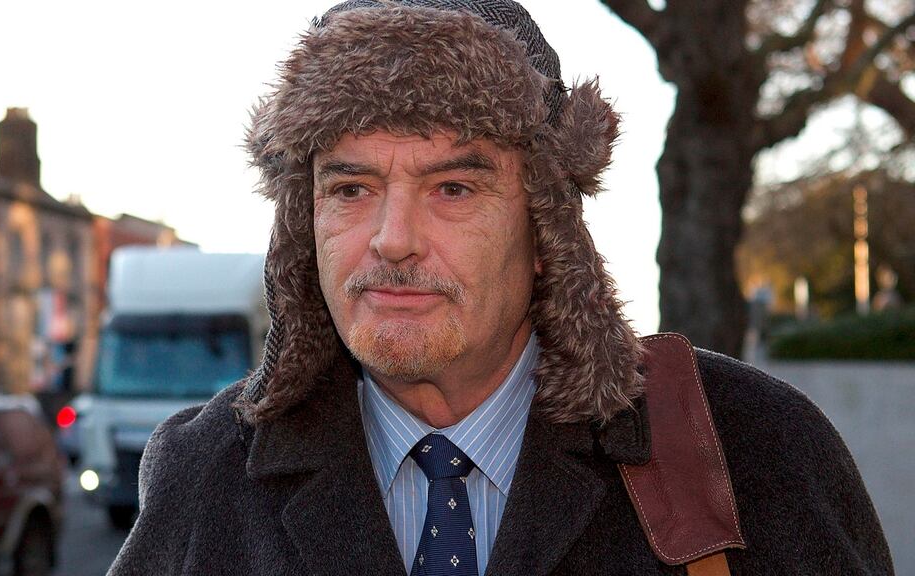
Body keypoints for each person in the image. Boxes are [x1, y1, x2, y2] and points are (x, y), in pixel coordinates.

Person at [107, 1, 893, 574]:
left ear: (546, 225)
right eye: (350, 189)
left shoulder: (757, 450)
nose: (392, 238)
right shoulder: (207, 473)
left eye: (453, 187)